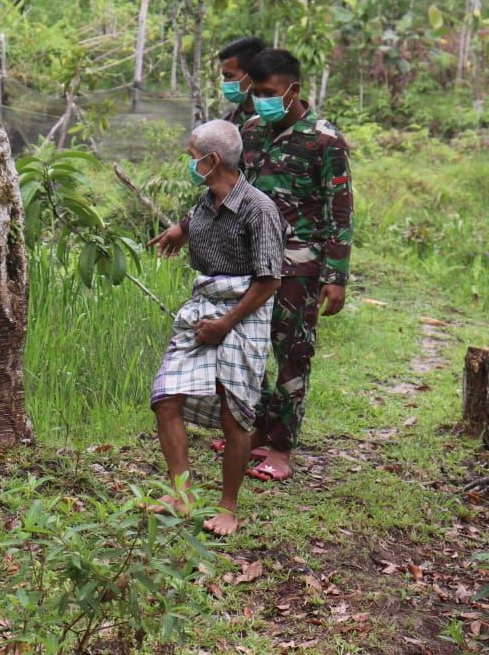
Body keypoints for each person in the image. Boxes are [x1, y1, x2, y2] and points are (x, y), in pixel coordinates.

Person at [150, 49, 354, 484]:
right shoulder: (252, 131)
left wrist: (336, 276)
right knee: (250, 347)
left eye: (269, 92)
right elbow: (228, 187)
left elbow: (341, 211)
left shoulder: (324, 139)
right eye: (255, 92)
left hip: (301, 263)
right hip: (249, 259)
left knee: (292, 353)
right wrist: (185, 226)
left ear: (293, 90)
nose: (260, 100)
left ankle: (280, 447)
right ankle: (253, 428)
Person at [149, 119, 284, 536]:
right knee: (166, 398)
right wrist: (180, 230)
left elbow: (270, 281)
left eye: (193, 157)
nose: (190, 165)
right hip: (202, 307)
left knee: (234, 412)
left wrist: (225, 325)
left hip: (243, 313)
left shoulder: (259, 209)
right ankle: (182, 491)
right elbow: (198, 221)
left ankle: (228, 507)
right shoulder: (206, 200)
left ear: (211, 160)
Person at [217, 36, 266, 128]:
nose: (224, 82)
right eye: (224, 77)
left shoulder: (273, 121)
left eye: (229, 76)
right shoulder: (228, 121)